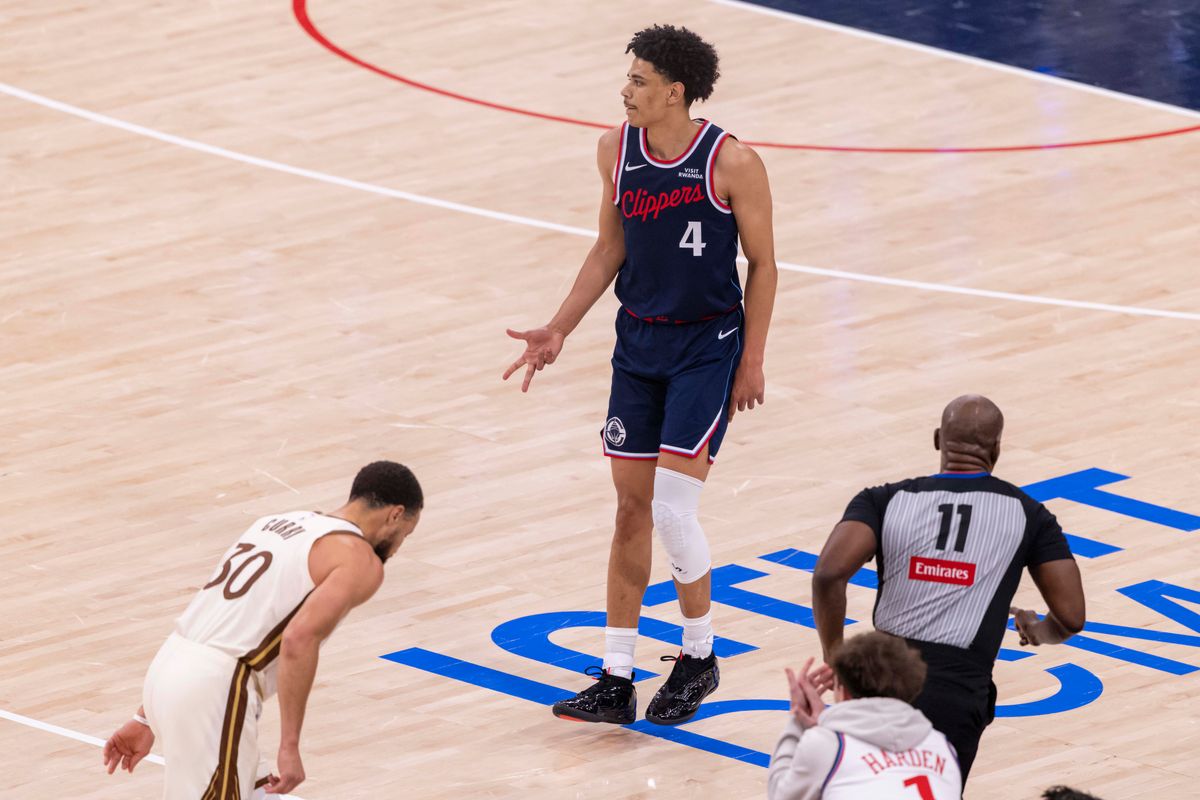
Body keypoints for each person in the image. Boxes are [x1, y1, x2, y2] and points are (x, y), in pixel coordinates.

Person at [503, 23, 777, 726]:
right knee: (630, 508)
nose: (625, 91)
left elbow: (765, 265)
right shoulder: (614, 151)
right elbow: (609, 248)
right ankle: (617, 675)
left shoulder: (732, 162)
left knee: (672, 508)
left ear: (674, 93)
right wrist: (559, 326)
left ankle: (699, 654)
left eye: (638, 81)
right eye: (628, 78)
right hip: (639, 349)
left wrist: (752, 357)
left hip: (706, 348)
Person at [102, 461, 423, 798]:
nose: (398, 547)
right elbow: (299, 640)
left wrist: (147, 716)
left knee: (259, 793)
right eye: (406, 533)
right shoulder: (359, 560)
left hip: (168, 666)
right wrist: (290, 745)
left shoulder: (275, 523)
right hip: (214, 690)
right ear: (396, 515)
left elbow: (220, 618)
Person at [811, 395, 1086, 783]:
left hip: (879, 679)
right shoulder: (1030, 515)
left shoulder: (884, 500)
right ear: (996, 450)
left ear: (938, 439)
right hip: (957, 694)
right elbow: (1072, 616)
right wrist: (1037, 630)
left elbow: (828, 574)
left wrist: (837, 658)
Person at [769, 631, 962, 799]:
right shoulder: (942, 746)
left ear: (843, 692)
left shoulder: (828, 745)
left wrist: (798, 719)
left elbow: (779, 794)